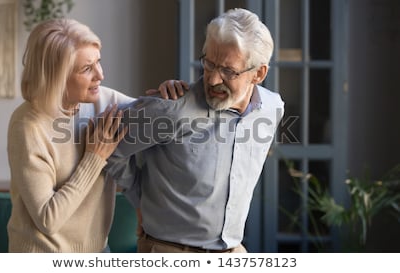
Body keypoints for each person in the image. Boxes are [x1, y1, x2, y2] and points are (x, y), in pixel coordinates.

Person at [106, 8, 285, 253]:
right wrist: (141, 201)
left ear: (259, 74)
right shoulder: (171, 108)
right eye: (209, 64)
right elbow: (107, 145)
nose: (212, 80)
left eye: (228, 71)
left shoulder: (272, 107)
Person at [7, 18, 186, 252]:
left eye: (98, 63)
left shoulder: (105, 101)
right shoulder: (27, 126)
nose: (100, 75)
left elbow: (160, 119)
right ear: (57, 77)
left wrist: (171, 94)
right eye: (86, 69)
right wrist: (94, 157)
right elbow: (48, 220)